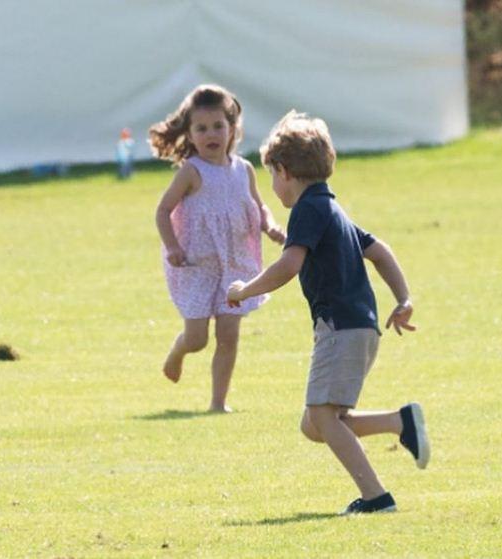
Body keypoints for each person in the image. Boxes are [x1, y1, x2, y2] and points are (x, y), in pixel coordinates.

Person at [227, 110, 430, 513]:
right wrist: (403, 298)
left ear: (283, 171)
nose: (273, 186)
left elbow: (289, 266)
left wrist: (244, 291)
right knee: (315, 424)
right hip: (360, 327)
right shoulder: (331, 208)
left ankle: (376, 497)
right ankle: (399, 422)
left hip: (340, 328)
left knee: (323, 414)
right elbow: (379, 250)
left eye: (271, 176)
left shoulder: (307, 210)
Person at [149, 84, 285, 412]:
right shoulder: (191, 172)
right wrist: (172, 247)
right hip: (198, 265)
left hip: (235, 266)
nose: (211, 134)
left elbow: (258, 204)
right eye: (201, 128)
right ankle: (178, 351)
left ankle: (217, 403)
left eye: (218, 126)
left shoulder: (244, 169)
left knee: (229, 336)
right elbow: (163, 211)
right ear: (190, 135)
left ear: (232, 129)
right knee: (198, 339)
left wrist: (270, 225)